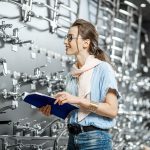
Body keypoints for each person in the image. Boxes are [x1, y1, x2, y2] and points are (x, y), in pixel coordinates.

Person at [39, 19, 120, 150]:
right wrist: (52, 109)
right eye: (66, 37)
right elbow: (74, 111)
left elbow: (112, 110)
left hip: (96, 140)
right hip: (73, 138)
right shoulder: (71, 75)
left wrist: (77, 100)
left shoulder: (103, 69)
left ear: (85, 43)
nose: (65, 42)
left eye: (70, 38)